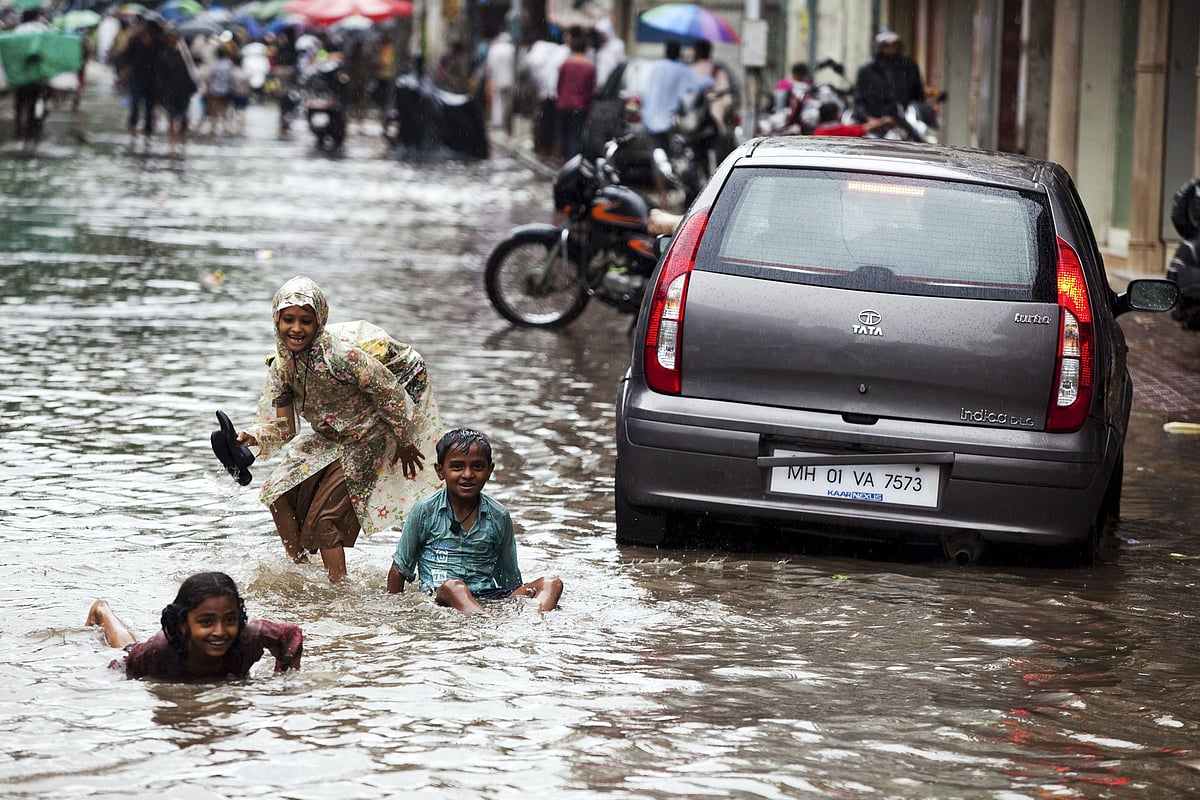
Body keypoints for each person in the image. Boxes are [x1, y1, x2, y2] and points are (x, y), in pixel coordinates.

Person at [235, 276, 442, 583]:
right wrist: (254, 436)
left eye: (306, 321)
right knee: (276, 492)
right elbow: (285, 427)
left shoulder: (342, 356)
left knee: (325, 519)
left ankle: (339, 590)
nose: (296, 329)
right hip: (328, 438)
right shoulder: (282, 366)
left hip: (366, 436)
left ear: (320, 320)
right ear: (276, 320)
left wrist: (404, 439)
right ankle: (300, 571)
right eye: (288, 320)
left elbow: (388, 391)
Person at [387, 429, 563, 614]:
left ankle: (532, 622)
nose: (468, 474)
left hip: (487, 596)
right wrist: (394, 611)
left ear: (489, 471)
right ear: (440, 471)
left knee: (552, 583)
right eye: (457, 467)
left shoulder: (499, 516)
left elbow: (509, 576)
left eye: (477, 467)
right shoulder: (425, 510)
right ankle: (484, 624)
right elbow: (400, 568)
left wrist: (517, 602)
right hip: (440, 594)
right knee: (455, 587)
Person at [86, 572, 303, 681]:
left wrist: (284, 684)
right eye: (206, 622)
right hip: (138, 657)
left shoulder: (252, 635)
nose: (220, 631)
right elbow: (125, 670)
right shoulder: (159, 653)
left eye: (230, 620)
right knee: (127, 647)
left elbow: (291, 636)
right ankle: (102, 610)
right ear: (183, 626)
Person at [639, 40, 712, 140]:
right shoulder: (681, 69)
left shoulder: (655, 67)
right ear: (679, 53)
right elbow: (698, 84)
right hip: (668, 122)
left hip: (649, 119)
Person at [853, 29, 924, 121]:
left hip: (905, 121)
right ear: (879, 47)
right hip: (875, 123)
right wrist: (870, 120)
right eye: (886, 46)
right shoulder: (866, 71)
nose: (891, 50)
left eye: (894, 46)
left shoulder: (909, 67)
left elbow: (918, 95)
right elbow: (859, 102)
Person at [114, 14, 165, 139]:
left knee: (149, 106)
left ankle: (148, 131)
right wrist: (123, 74)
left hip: (153, 78)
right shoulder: (135, 40)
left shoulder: (159, 43)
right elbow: (126, 58)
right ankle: (133, 129)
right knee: (135, 103)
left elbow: (163, 61)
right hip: (137, 76)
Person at [554, 31, 596, 160]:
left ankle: (566, 159)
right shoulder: (589, 67)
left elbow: (559, 85)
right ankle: (574, 161)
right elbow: (590, 89)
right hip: (580, 105)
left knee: (565, 134)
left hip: (564, 104)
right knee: (575, 135)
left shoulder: (565, 65)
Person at [484, 30, 516, 135]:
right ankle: (505, 122)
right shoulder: (511, 49)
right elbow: (515, 65)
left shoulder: (494, 49)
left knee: (498, 101)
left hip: (497, 79)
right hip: (509, 79)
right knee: (507, 102)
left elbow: (489, 67)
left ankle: (497, 122)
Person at [811, 101, 892, 137]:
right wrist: (883, 121)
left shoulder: (817, 132)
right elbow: (867, 127)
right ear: (836, 115)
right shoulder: (845, 130)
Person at [592, 18, 624, 89]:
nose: (600, 36)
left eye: (602, 34)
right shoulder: (599, 47)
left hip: (612, 83)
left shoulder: (617, 45)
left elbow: (619, 65)